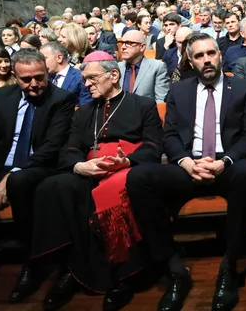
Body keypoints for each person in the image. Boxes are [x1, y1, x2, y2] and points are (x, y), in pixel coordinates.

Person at [127, 33, 246, 311]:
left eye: (211, 53)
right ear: (190, 60)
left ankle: (229, 267)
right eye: (199, 56)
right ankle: (175, 269)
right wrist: (185, 161)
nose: (207, 60)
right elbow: (170, 134)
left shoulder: (244, 87)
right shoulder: (180, 91)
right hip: (190, 164)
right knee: (138, 178)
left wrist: (225, 162)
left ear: (220, 55)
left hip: (227, 165)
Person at [30, 51, 164, 310]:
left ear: (114, 75)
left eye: (92, 78)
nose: (87, 84)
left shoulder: (143, 105)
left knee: (112, 196)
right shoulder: (83, 113)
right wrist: (80, 166)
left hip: (127, 169)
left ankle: (123, 277)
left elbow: (153, 147)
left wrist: (127, 162)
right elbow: (70, 149)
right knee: (53, 186)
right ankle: (68, 268)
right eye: (84, 80)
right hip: (90, 169)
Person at [0, 49, 75, 304]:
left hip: (38, 166)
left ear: (47, 73)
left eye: (39, 78)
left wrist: (11, 176)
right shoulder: (1, 97)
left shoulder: (61, 99)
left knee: (19, 181)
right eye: (26, 80)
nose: (34, 85)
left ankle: (32, 264)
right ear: (15, 77)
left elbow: (51, 147)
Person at [118, 30, 170, 102]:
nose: (123, 47)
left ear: (142, 47)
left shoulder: (157, 67)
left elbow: (161, 100)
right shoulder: (116, 68)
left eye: (129, 43)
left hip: (146, 112)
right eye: (123, 43)